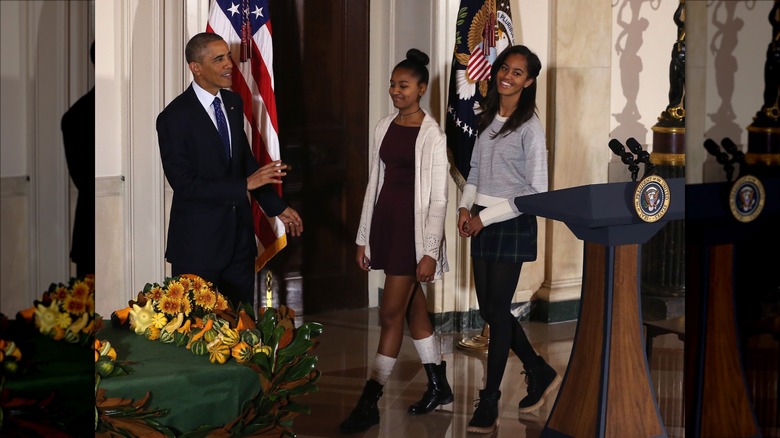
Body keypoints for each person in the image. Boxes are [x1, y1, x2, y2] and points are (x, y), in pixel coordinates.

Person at [339, 48, 451, 434]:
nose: (395, 91)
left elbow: (439, 198)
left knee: (390, 314)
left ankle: (370, 399)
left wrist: (430, 251)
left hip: (413, 235)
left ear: (421, 89)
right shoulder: (384, 126)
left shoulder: (433, 134)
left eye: (403, 85)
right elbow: (375, 182)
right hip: (386, 224)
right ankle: (439, 384)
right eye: (392, 84)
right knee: (413, 310)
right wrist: (363, 238)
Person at [156, 32, 302, 308]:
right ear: (195, 67)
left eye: (229, 57)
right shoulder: (173, 118)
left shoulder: (233, 104)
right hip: (198, 246)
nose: (229, 64)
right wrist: (243, 185)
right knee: (197, 332)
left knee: (240, 326)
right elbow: (184, 183)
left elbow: (244, 163)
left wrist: (276, 206)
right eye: (219, 59)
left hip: (239, 243)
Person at [456, 45, 560, 434]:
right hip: (481, 218)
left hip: (509, 221)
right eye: (505, 68)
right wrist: (466, 209)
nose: (507, 76)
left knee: (497, 313)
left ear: (529, 81)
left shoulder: (530, 128)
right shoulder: (486, 117)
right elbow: (475, 170)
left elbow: (535, 191)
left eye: (518, 73)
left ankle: (489, 400)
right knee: (491, 311)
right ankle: (537, 368)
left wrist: (486, 218)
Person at [61, 41, 95, 278]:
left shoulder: (74, 114)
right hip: (91, 226)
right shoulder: (76, 116)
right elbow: (83, 179)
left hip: (88, 229)